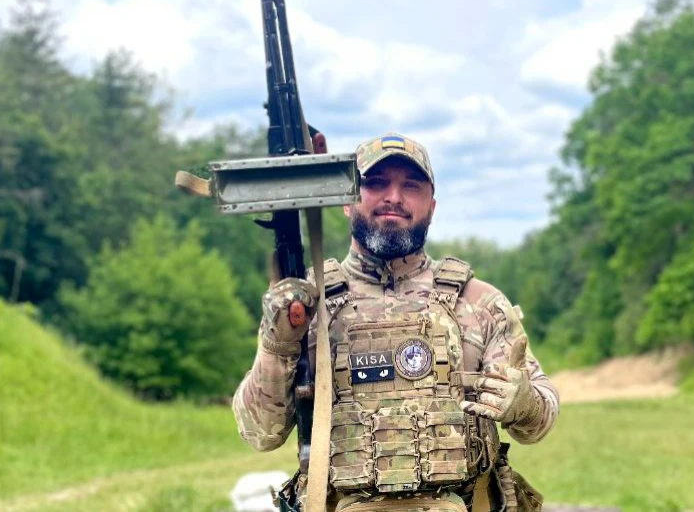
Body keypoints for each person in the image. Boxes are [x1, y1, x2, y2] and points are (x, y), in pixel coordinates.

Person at [232, 132, 560, 512]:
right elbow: (260, 433)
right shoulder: (305, 307)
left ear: (432, 205)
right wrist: (278, 344)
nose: (394, 197)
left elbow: (538, 423)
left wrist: (525, 404)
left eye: (411, 186)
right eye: (376, 183)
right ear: (348, 200)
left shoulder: (477, 303)